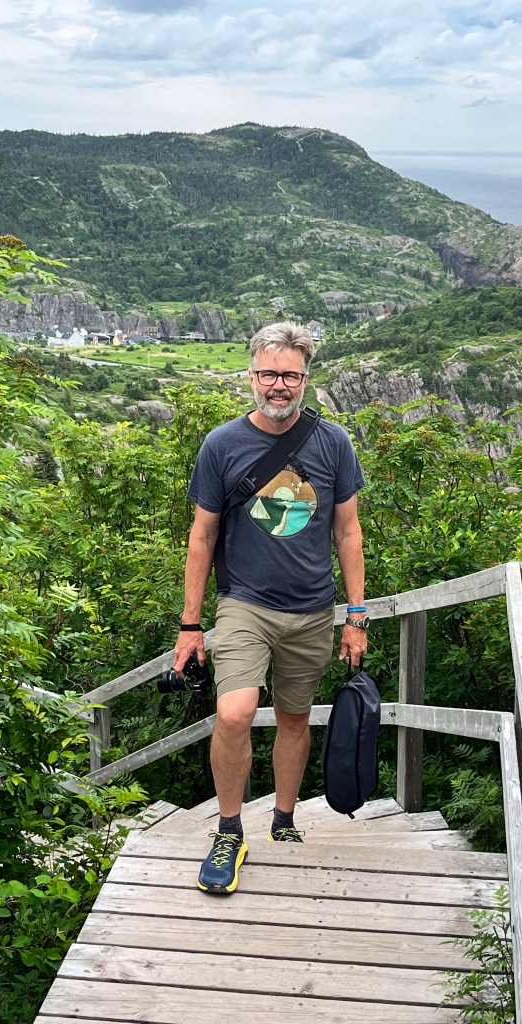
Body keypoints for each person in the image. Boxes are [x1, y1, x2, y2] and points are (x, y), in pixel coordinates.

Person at [173, 322, 368, 895]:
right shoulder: (222, 445)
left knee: (294, 718)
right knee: (234, 714)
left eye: (290, 375)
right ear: (251, 376)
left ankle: (284, 820)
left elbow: (348, 532)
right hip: (245, 604)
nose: (278, 385)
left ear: (305, 379)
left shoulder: (332, 443)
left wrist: (356, 616)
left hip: (313, 608)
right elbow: (201, 537)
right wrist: (190, 626)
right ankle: (229, 831)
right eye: (268, 374)